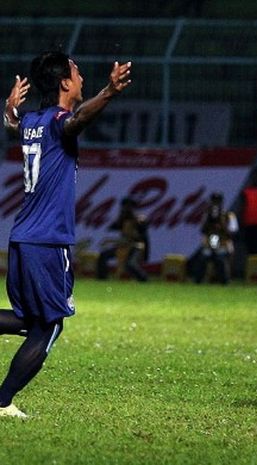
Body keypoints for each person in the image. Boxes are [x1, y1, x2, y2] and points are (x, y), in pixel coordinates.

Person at [0, 51, 131, 417]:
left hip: (23, 238)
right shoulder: (58, 120)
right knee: (50, 326)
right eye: (77, 72)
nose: (81, 77)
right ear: (64, 83)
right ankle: (2, 402)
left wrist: (8, 110)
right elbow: (76, 120)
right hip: (48, 242)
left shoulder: (31, 121)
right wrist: (109, 92)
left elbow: (12, 125)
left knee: (29, 321)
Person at [97, 196, 149, 282]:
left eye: (129, 207)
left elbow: (140, 238)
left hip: (136, 247)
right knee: (103, 255)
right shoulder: (122, 219)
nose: (126, 209)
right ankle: (102, 280)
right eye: (125, 207)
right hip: (124, 245)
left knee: (130, 264)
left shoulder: (139, 220)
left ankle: (144, 280)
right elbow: (112, 228)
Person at [190, 191, 237, 284]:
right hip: (211, 242)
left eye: (217, 201)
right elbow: (202, 230)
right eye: (214, 201)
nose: (215, 203)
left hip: (224, 242)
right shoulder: (207, 214)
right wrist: (209, 221)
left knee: (220, 258)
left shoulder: (229, 215)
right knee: (203, 256)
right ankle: (198, 279)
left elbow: (233, 232)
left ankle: (224, 280)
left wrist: (222, 224)